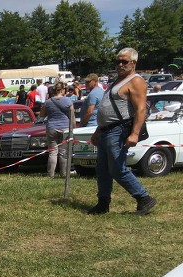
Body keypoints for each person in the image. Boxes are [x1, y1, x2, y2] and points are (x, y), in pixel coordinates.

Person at [88, 48, 156, 216]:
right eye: (118, 61)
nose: (120, 64)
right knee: (102, 169)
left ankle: (144, 198)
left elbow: (141, 110)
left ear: (133, 63)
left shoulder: (136, 81)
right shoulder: (117, 81)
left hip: (118, 130)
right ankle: (103, 203)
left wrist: (134, 133)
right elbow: (109, 109)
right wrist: (98, 130)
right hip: (106, 130)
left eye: (124, 62)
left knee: (117, 168)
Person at [40, 82, 74, 177]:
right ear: (62, 90)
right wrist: (73, 128)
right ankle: (64, 173)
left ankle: (50, 174)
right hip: (65, 127)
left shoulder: (47, 102)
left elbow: (41, 115)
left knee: (53, 151)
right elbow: (72, 117)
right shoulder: (68, 101)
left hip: (51, 127)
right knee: (63, 152)